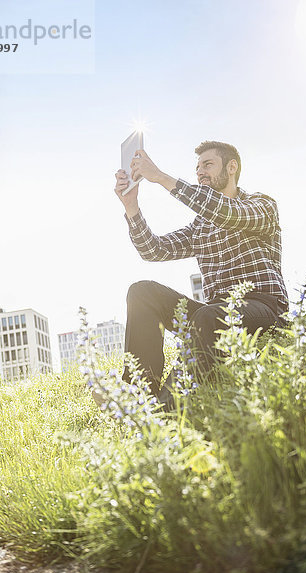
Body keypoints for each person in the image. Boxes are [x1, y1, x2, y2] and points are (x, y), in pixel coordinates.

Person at [113, 140, 289, 407]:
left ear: (232, 167)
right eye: (197, 168)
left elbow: (225, 212)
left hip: (263, 309)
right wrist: (131, 207)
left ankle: (165, 409)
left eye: (208, 165)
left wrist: (160, 177)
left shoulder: (261, 206)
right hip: (215, 316)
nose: (200, 172)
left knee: (209, 315)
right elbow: (153, 250)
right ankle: (139, 395)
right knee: (142, 292)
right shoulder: (201, 227)